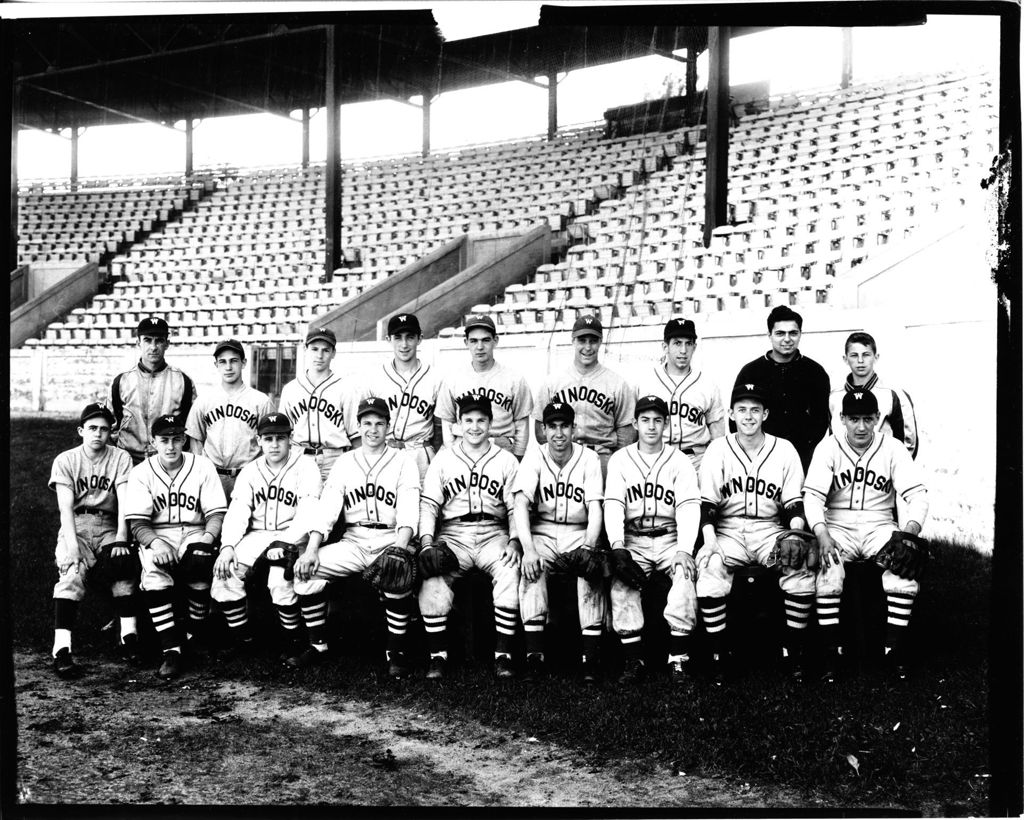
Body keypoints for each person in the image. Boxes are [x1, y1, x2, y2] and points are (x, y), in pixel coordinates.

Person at [804, 389, 929, 681]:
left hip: (879, 523)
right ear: (842, 419)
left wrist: (909, 532)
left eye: (867, 419)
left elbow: (918, 496)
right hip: (838, 523)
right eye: (854, 419)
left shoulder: (893, 448)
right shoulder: (828, 448)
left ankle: (893, 649)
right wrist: (821, 533)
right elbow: (812, 499)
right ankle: (831, 652)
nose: (861, 427)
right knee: (828, 570)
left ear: (877, 419)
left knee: (902, 567)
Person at [291, 397, 421, 677]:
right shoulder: (345, 462)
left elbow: (409, 509)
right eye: (366, 423)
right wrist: (312, 549)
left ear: (388, 427)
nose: (372, 430)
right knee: (306, 571)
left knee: (397, 576)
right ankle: (318, 645)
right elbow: (327, 508)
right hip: (355, 540)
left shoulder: (404, 461)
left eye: (379, 423)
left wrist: (400, 549)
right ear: (358, 427)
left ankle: (395, 652)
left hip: (390, 538)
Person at [695, 382, 814, 681]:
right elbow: (707, 504)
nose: (749, 416)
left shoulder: (784, 449)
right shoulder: (717, 449)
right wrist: (710, 542)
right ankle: (718, 653)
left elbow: (794, 505)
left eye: (755, 410)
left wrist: (794, 534)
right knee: (709, 568)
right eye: (743, 410)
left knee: (797, 566)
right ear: (731, 414)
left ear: (766, 414)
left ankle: (794, 651)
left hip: (768, 529)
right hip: (728, 530)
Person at [417, 393, 522, 680]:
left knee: (510, 570)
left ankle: (503, 655)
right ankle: (437, 656)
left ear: (491, 424)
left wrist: (514, 540)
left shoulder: (506, 460)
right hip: (454, 534)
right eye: (468, 421)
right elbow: (429, 505)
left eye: (481, 420)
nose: (474, 427)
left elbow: (515, 508)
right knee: (432, 576)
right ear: (458, 425)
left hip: (493, 533)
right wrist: (427, 542)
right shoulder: (443, 459)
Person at [603, 395, 700, 684]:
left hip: (670, 537)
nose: (651, 426)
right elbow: (613, 504)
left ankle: (678, 658)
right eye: (645, 420)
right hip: (634, 539)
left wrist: (684, 549)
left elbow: (688, 506)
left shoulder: (679, 460)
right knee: (622, 583)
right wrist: (618, 546)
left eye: (658, 420)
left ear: (666, 424)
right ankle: (634, 659)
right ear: (635, 423)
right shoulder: (621, 459)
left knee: (685, 576)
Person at [210, 412, 323, 660]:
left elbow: (308, 513)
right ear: (259, 441)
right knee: (225, 572)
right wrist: (228, 546)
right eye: (268, 438)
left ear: (290, 439)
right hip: (257, 535)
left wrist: (285, 542)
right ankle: (243, 639)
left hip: (293, 534)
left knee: (280, 579)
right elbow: (238, 512)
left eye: (280, 438)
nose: (274, 444)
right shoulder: (250, 471)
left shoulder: (306, 467)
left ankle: (292, 640)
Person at [125, 413, 228, 680]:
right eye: (164, 440)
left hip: (195, 530)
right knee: (155, 574)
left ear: (184, 439)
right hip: (158, 533)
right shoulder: (141, 473)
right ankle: (171, 649)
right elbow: (137, 522)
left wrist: (206, 540)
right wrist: (156, 543)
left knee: (200, 563)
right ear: (153, 441)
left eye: (176, 439)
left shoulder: (203, 466)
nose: (171, 446)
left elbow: (216, 513)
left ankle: (195, 634)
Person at [514, 401, 606, 682]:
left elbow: (595, 508)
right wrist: (528, 549)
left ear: (573, 428)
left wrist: (589, 546)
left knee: (590, 570)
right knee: (532, 569)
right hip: (543, 531)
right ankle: (534, 655)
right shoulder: (535, 456)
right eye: (552, 426)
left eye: (564, 425)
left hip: (578, 531)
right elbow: (520, 503)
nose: (558, 433)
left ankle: (590, 657)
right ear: (543, 430)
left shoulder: (588, 458)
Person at [48, 403, 139, 678]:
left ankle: (129, 636)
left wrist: (122, 538)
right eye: (92, 428)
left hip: (110, 524)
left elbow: (124, 500)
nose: (98, 434)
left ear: (111, 432)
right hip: (76, 523)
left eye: (104, 429)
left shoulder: (121, 457)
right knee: (71, 573)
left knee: (123, 569)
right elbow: (65, 508)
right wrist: (73, 547)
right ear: (81, 430)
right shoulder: (66, 459)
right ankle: (61, 649)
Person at [534, 313, 636, 476]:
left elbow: (627, 432)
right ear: (573, 340)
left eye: (593, 341)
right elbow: (540, 429)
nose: (587, 347)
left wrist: (615, 464)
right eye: (582, 340)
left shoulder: (617, 383)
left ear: (600, 342)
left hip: (601, 459)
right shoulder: (553, 382)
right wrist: (559, 454)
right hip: (564, 459)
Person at [732, 306, 830, 471]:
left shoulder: (815, 372)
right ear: (769, 335)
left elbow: (821, 421)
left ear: (800, 334)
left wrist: (803, 450)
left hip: (802, 459)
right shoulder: (750, 372)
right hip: (758, 458)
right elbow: (736, 418)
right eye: (780, 333)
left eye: (793, 333)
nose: (787, 339)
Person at [435, 313, 533, 460]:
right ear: (465, 342)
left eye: (486, 340)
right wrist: (453, 454)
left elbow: (522, 424)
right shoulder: (452, 378)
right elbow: (447, 422)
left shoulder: (514, 378)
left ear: (495, 341)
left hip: (501, 447)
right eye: (474, 341)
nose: (480, 347)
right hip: (463, 448)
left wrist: (517, 456)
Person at [186, 339, 274, 499]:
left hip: (248, 475)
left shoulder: (260, 401)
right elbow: (195, 439)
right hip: (214, 476)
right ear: (216, 365)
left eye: (233, 361)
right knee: (214, 520)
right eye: (223, 362)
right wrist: (202, 471)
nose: (228, 367)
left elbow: (269, 441)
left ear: (244, 363)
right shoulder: (204, 400)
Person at [635, 317, 726, 471]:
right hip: (655, 460)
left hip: (696, 461)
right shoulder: (645, 382)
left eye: (688, 343)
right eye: (677, 343)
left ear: (694, 347)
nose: (683, 350)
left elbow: (718, 436)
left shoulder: (708, 384)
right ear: (665, 346)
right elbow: (634, 431)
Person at [362, 313, 442, 481]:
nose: (404, 344)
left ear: (420, 339)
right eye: (398, 337)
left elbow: (440, 428)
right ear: (388, 339)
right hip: (385, 452)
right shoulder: (375, 377)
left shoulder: (435, 377)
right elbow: (364, 426)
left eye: (410, 337)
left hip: (421, 454)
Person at [279, 326, 361, 483]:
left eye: (326, 350)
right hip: (300, 457)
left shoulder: (346, 388)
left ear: (333, 353)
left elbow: (356, 436)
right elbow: (283, 434)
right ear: (306, 349)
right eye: (314, 349)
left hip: (336, 458)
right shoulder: (291, 389)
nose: (319, 355)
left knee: (336, 505)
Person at [111, 316, 197, 465]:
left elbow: (192, 428)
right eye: (148, 340)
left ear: (167, 344)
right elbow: (111, 425)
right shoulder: (122, 381)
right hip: (129, 460)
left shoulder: (182, 381)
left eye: (159, 340)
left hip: (168, 461)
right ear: (138, 343)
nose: (153, 346)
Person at [828, 331, 919, 458]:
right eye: (854, 355)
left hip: (882, 473)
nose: (860, 361)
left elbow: (908, 442)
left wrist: (894, 472)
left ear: (876, 357)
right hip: (845, 474)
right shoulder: (834, 397)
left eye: (866, 355)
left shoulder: (893, 394)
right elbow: (833, 439)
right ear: (845, 359)